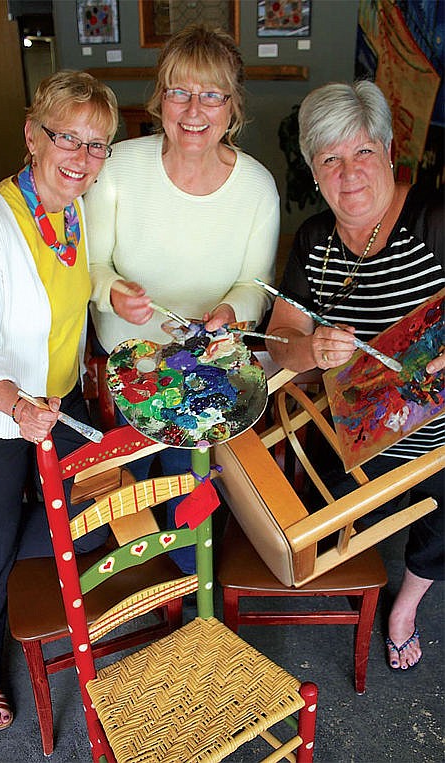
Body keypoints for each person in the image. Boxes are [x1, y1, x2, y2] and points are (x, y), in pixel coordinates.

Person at [84, 24, 279, 572]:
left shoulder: (258, 188)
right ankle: (137, 580)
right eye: (179, 91)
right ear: (160, 100)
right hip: (124, 371)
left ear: (232, 107)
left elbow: (253, 285)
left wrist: (230, 313)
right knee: (123, 498)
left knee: (186, 495)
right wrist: (112, 293)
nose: (195, 110)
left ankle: (193, 600)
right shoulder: (118, 167)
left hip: (203, 371)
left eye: (211, 94)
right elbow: (94, 266)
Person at [266, 80, 444, 671]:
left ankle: (404, 609)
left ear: (390, 151)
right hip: (360, 428)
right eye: (330, 159)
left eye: (363, 152)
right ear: (315, 173)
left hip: (441, 436)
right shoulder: (315, 242)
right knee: (315, 535)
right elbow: (279, 340)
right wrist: (311, 348)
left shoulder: (434, 219)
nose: (350, 174)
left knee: (443, 530)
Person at [0, 70, 118, 731]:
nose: (83, 159)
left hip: (56, 405)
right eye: (69, 138)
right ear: (33, 135)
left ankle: (32, 583)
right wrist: (16, 407)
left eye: (98, 145)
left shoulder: (72, 210)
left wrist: (119, 294)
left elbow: (74, 301)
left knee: (103, 494)